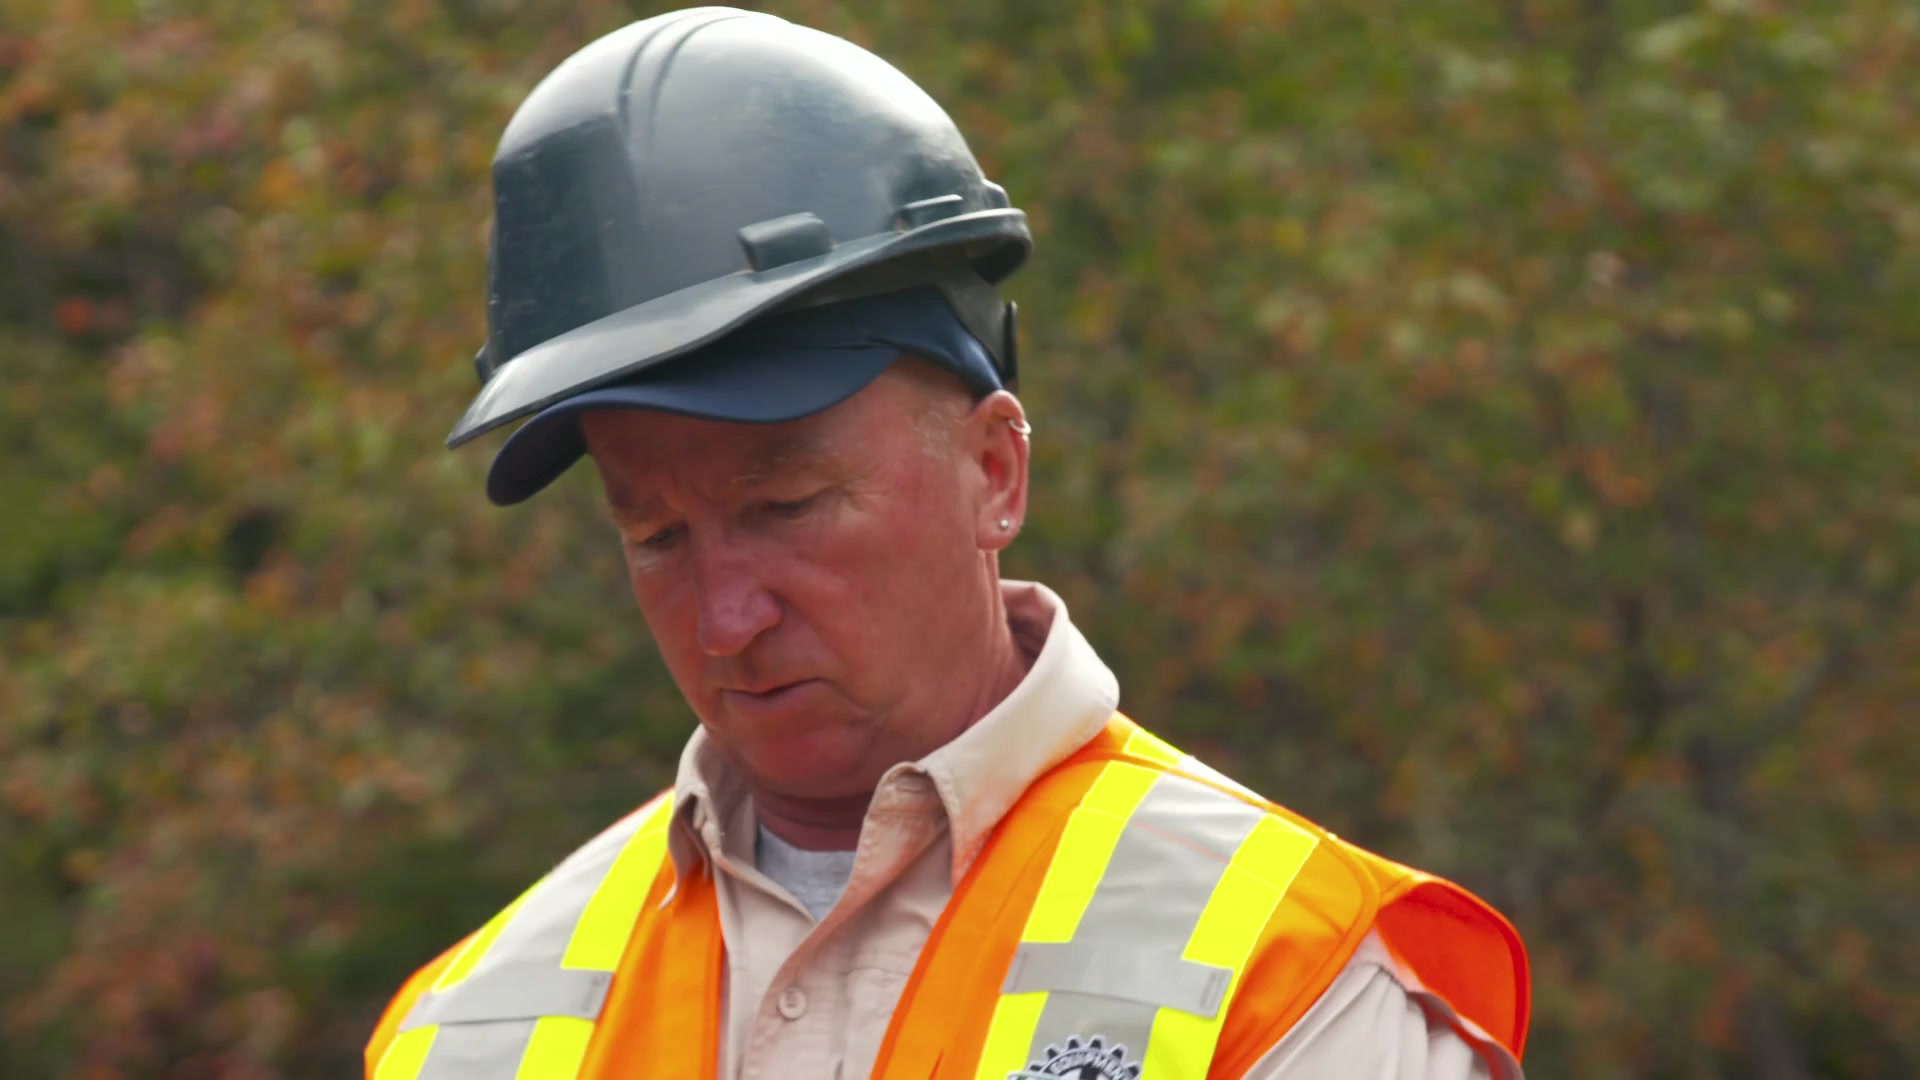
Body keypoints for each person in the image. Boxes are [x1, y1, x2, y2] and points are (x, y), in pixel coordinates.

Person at [365, 8, 1530, 1078]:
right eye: (658, 534)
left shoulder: (1287, 982)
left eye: (786, 506)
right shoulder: (466, 1033)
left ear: (994, 471)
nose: (725, 620)